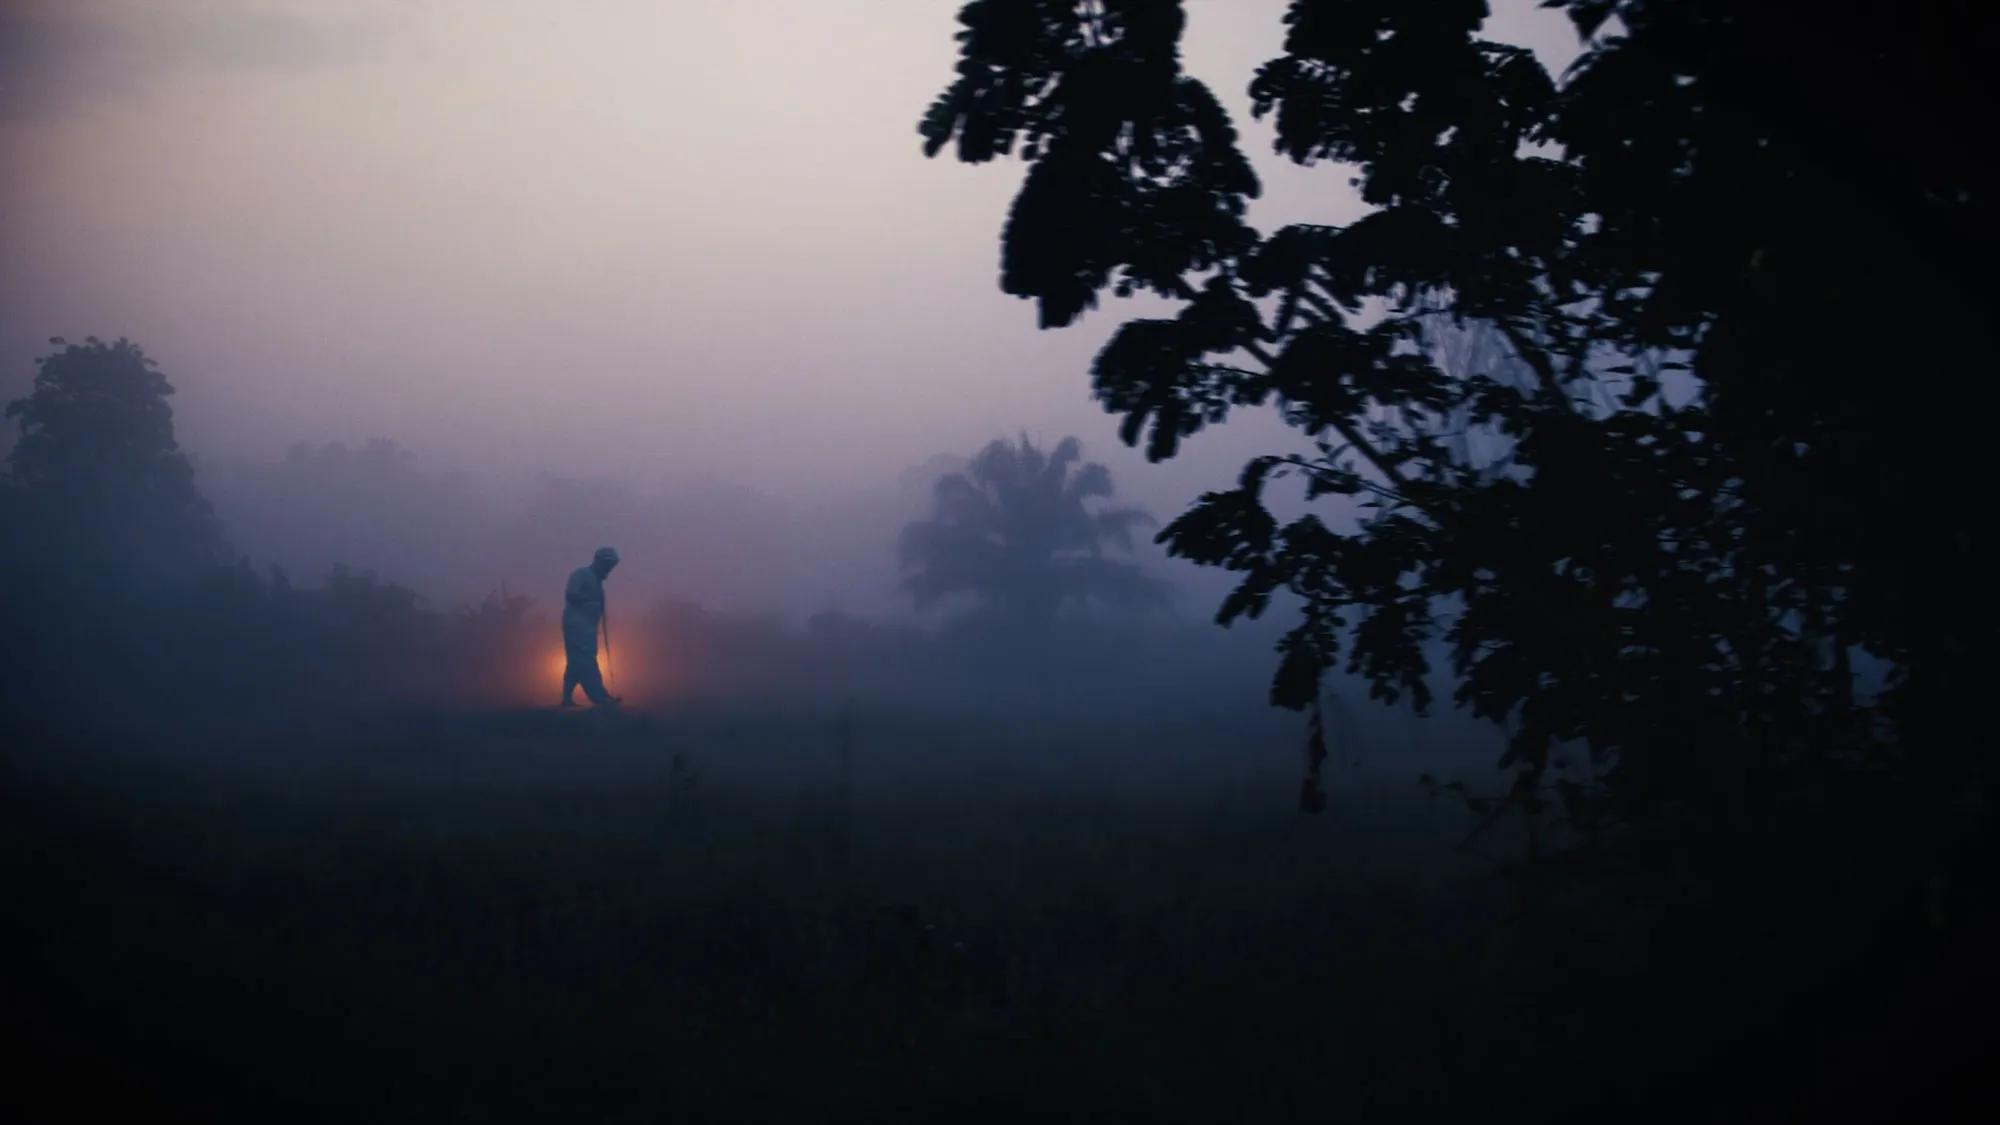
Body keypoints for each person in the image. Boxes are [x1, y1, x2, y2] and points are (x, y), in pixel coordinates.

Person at [560, 547, 621, 707]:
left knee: (575, 662)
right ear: (600, 562)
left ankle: (567, 698)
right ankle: (597, 695)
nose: (609, 571)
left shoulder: (595, 581)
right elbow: (572, 595)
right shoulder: (582, 575)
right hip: (577, 626)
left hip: (587, 627)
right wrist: (591, 605)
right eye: (608, 566)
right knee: (585, 660)